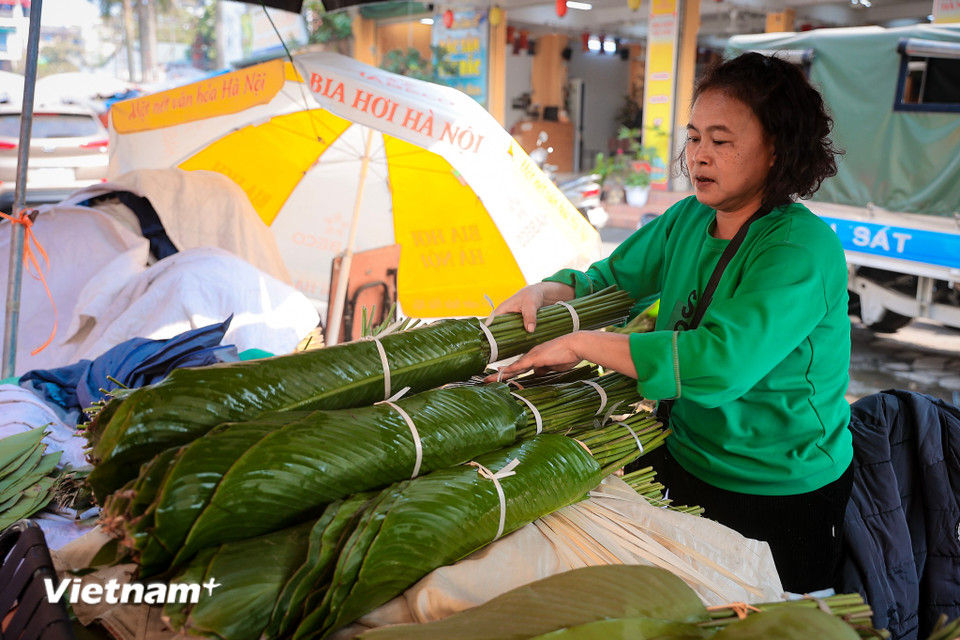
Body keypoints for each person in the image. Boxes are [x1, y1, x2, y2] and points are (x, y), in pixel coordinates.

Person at [486, 52, 852, 594]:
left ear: (776, 148)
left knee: (757, 618)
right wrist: (548, 290)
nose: (699, 155)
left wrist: (585, 343)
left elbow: (720, 364)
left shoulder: (800, 249)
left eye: (721, 141)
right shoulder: (689, 218)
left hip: (779, 487)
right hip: (684, 452)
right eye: (695, 136)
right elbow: (611, 279)